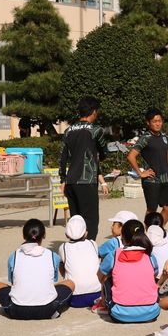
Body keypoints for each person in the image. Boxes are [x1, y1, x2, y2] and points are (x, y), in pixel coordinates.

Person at [0, 219, 75, 320]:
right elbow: (53, 280)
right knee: (69, 282)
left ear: (23, 235)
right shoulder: (53, 256)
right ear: (44, 235)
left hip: (17, 311)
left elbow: (14, 283)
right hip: (49, 310)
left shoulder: (14, 256)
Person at [59, 97, 108, 240]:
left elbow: (62, 157)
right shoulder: (96, 130)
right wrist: (102, 157)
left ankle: (75, 249)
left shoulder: (69, 131)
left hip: (72, 181)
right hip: (87, 180)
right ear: (94, 112)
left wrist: (63, 179)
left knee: (76, 220)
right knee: (90, 220)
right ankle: (90, 250)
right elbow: (104, 151)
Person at [128, 109, 168, 225]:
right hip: (152, 180)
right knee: (152, 210)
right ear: (148, 122)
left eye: (159, 121)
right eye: (154, 121)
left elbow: (167, 153)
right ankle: (145, 234)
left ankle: (158, 230)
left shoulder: (164, 136)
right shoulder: (145, 138)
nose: (158, 124)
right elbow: (131, 156)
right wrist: (140, 173)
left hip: (165, 179)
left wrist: (166, 166)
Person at [58, 215, 101, 308]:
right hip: (98, 295)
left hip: (75, 299)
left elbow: (62, 269)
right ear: (86, 233)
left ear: (67, 235)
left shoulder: (63, 247)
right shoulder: (92, 243)